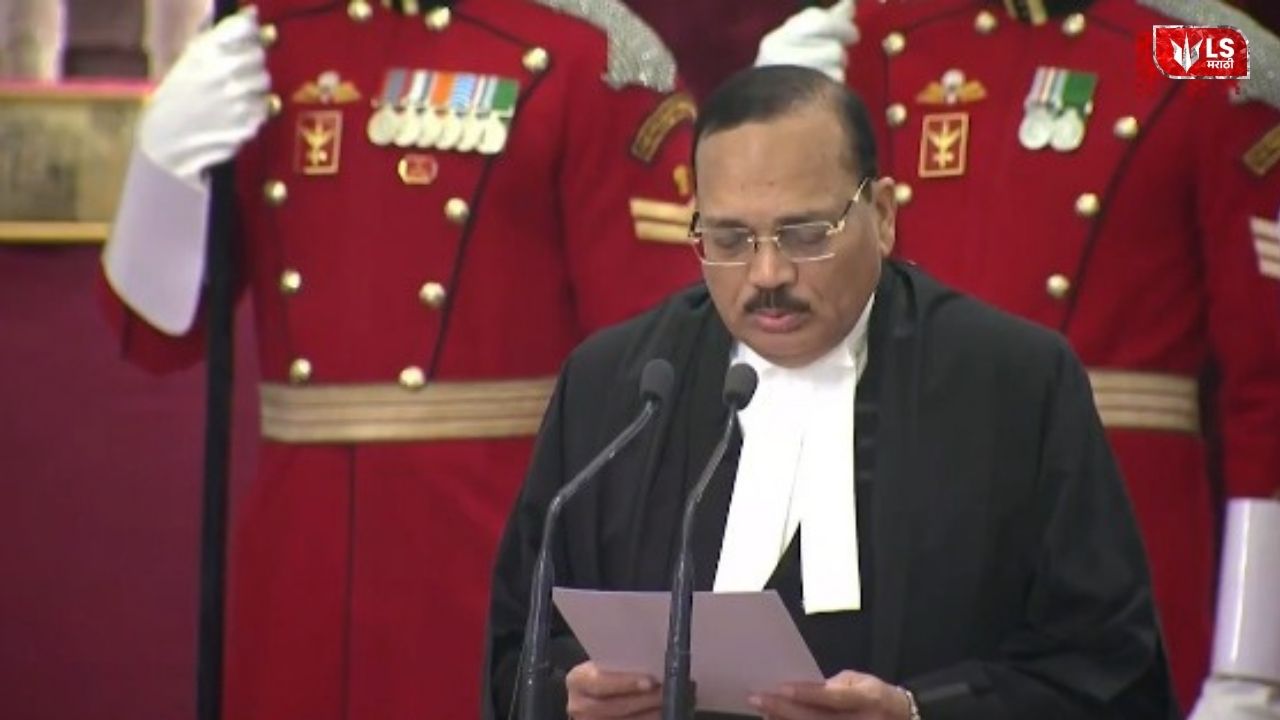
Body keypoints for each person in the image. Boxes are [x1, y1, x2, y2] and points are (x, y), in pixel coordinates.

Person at [485, 65, 1177, 720]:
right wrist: (569, 693)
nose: (767, 274)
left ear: (883, 214)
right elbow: (520, 647)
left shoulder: (1014, 383)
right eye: (730, 238)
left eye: (805, 234)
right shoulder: (618, 387)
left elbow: (1109, 667)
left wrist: (919, 713)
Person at [98, 1, 701, 718]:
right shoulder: (267, 40)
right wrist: (161, 170)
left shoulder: (596, 51)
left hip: (496, 545)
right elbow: (157, 336)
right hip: (298, 557)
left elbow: (663, 364)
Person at [755, 0, 1280, 709]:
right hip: (909, 511)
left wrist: (1252, 664)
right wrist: (783, 121)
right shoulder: (881, 36)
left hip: (1119, 518)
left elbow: (1268, 390)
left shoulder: (1192, 46)